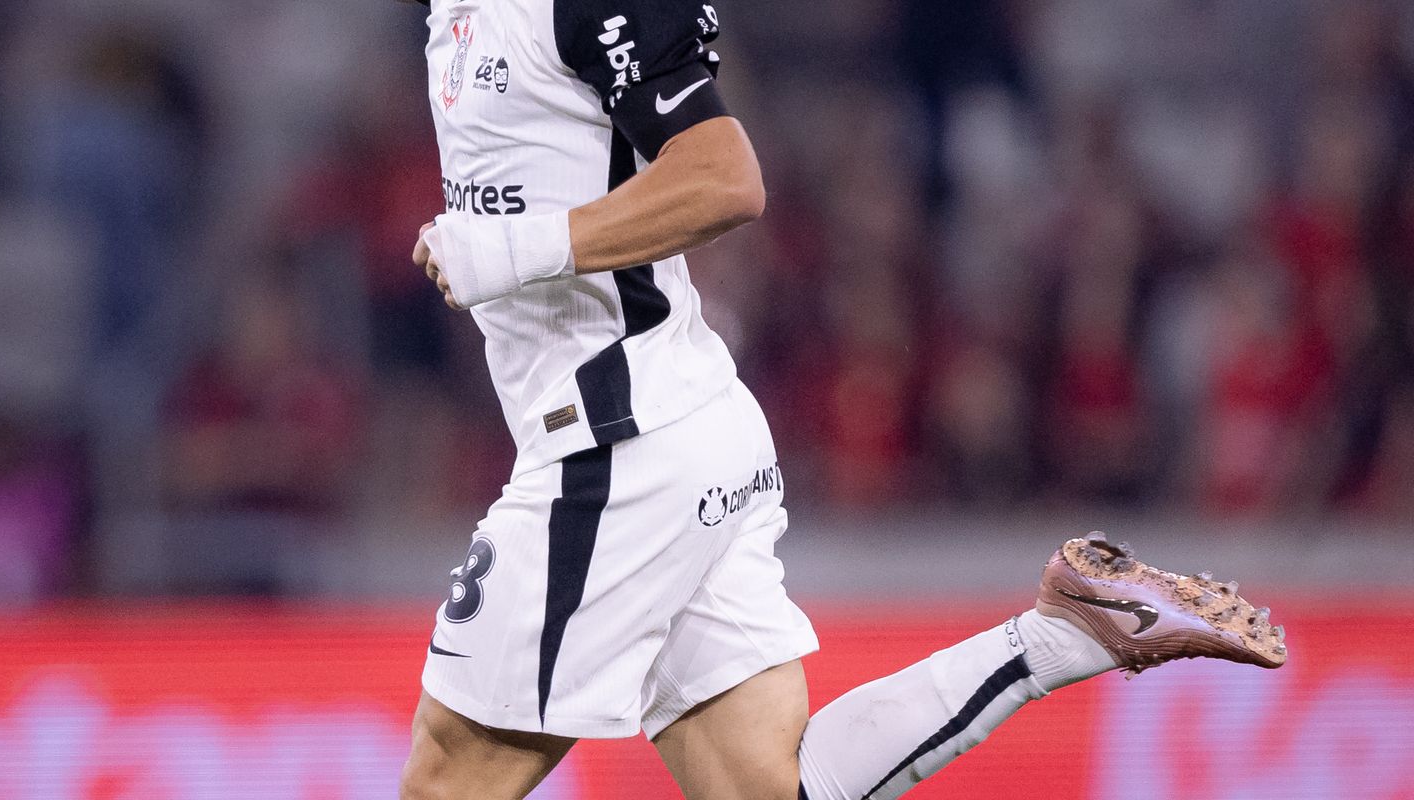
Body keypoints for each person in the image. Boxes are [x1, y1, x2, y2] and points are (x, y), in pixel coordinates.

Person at [399, 1, 1288, 798]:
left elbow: (724, 177)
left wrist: (519, 250)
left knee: (447, 779)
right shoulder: (457, 16)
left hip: (617, 446)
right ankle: (1068, 635)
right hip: (681, 426)